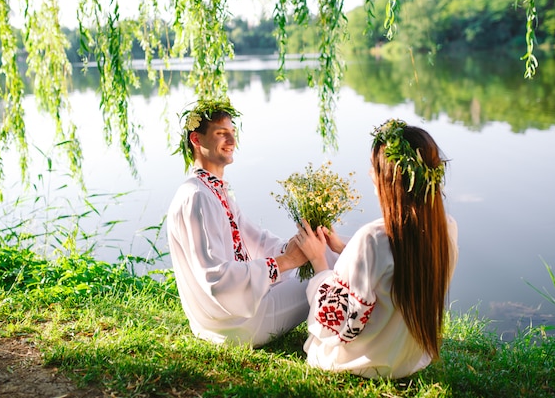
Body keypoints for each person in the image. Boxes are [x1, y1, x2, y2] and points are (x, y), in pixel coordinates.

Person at [293, 119, 459, 379]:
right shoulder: (445, 228)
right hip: (409, 358)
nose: (370, 173)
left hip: (368, 362)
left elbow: (341, 324)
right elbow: (396, 257)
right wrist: (343, 247)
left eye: (375, 167)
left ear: (389, 178)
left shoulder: (371, 238)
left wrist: (319, 262)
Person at [166, 98, 311, 347]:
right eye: (221, 134)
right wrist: (286, 262)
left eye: (232, 133)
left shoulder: (213, 190)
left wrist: (299, 246)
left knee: (318, 262)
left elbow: (255, 238)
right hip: (235, 326)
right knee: (326, 278)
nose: (232, 142)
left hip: (230, 319)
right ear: (196, 140)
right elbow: (216, 278)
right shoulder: (197, 197)